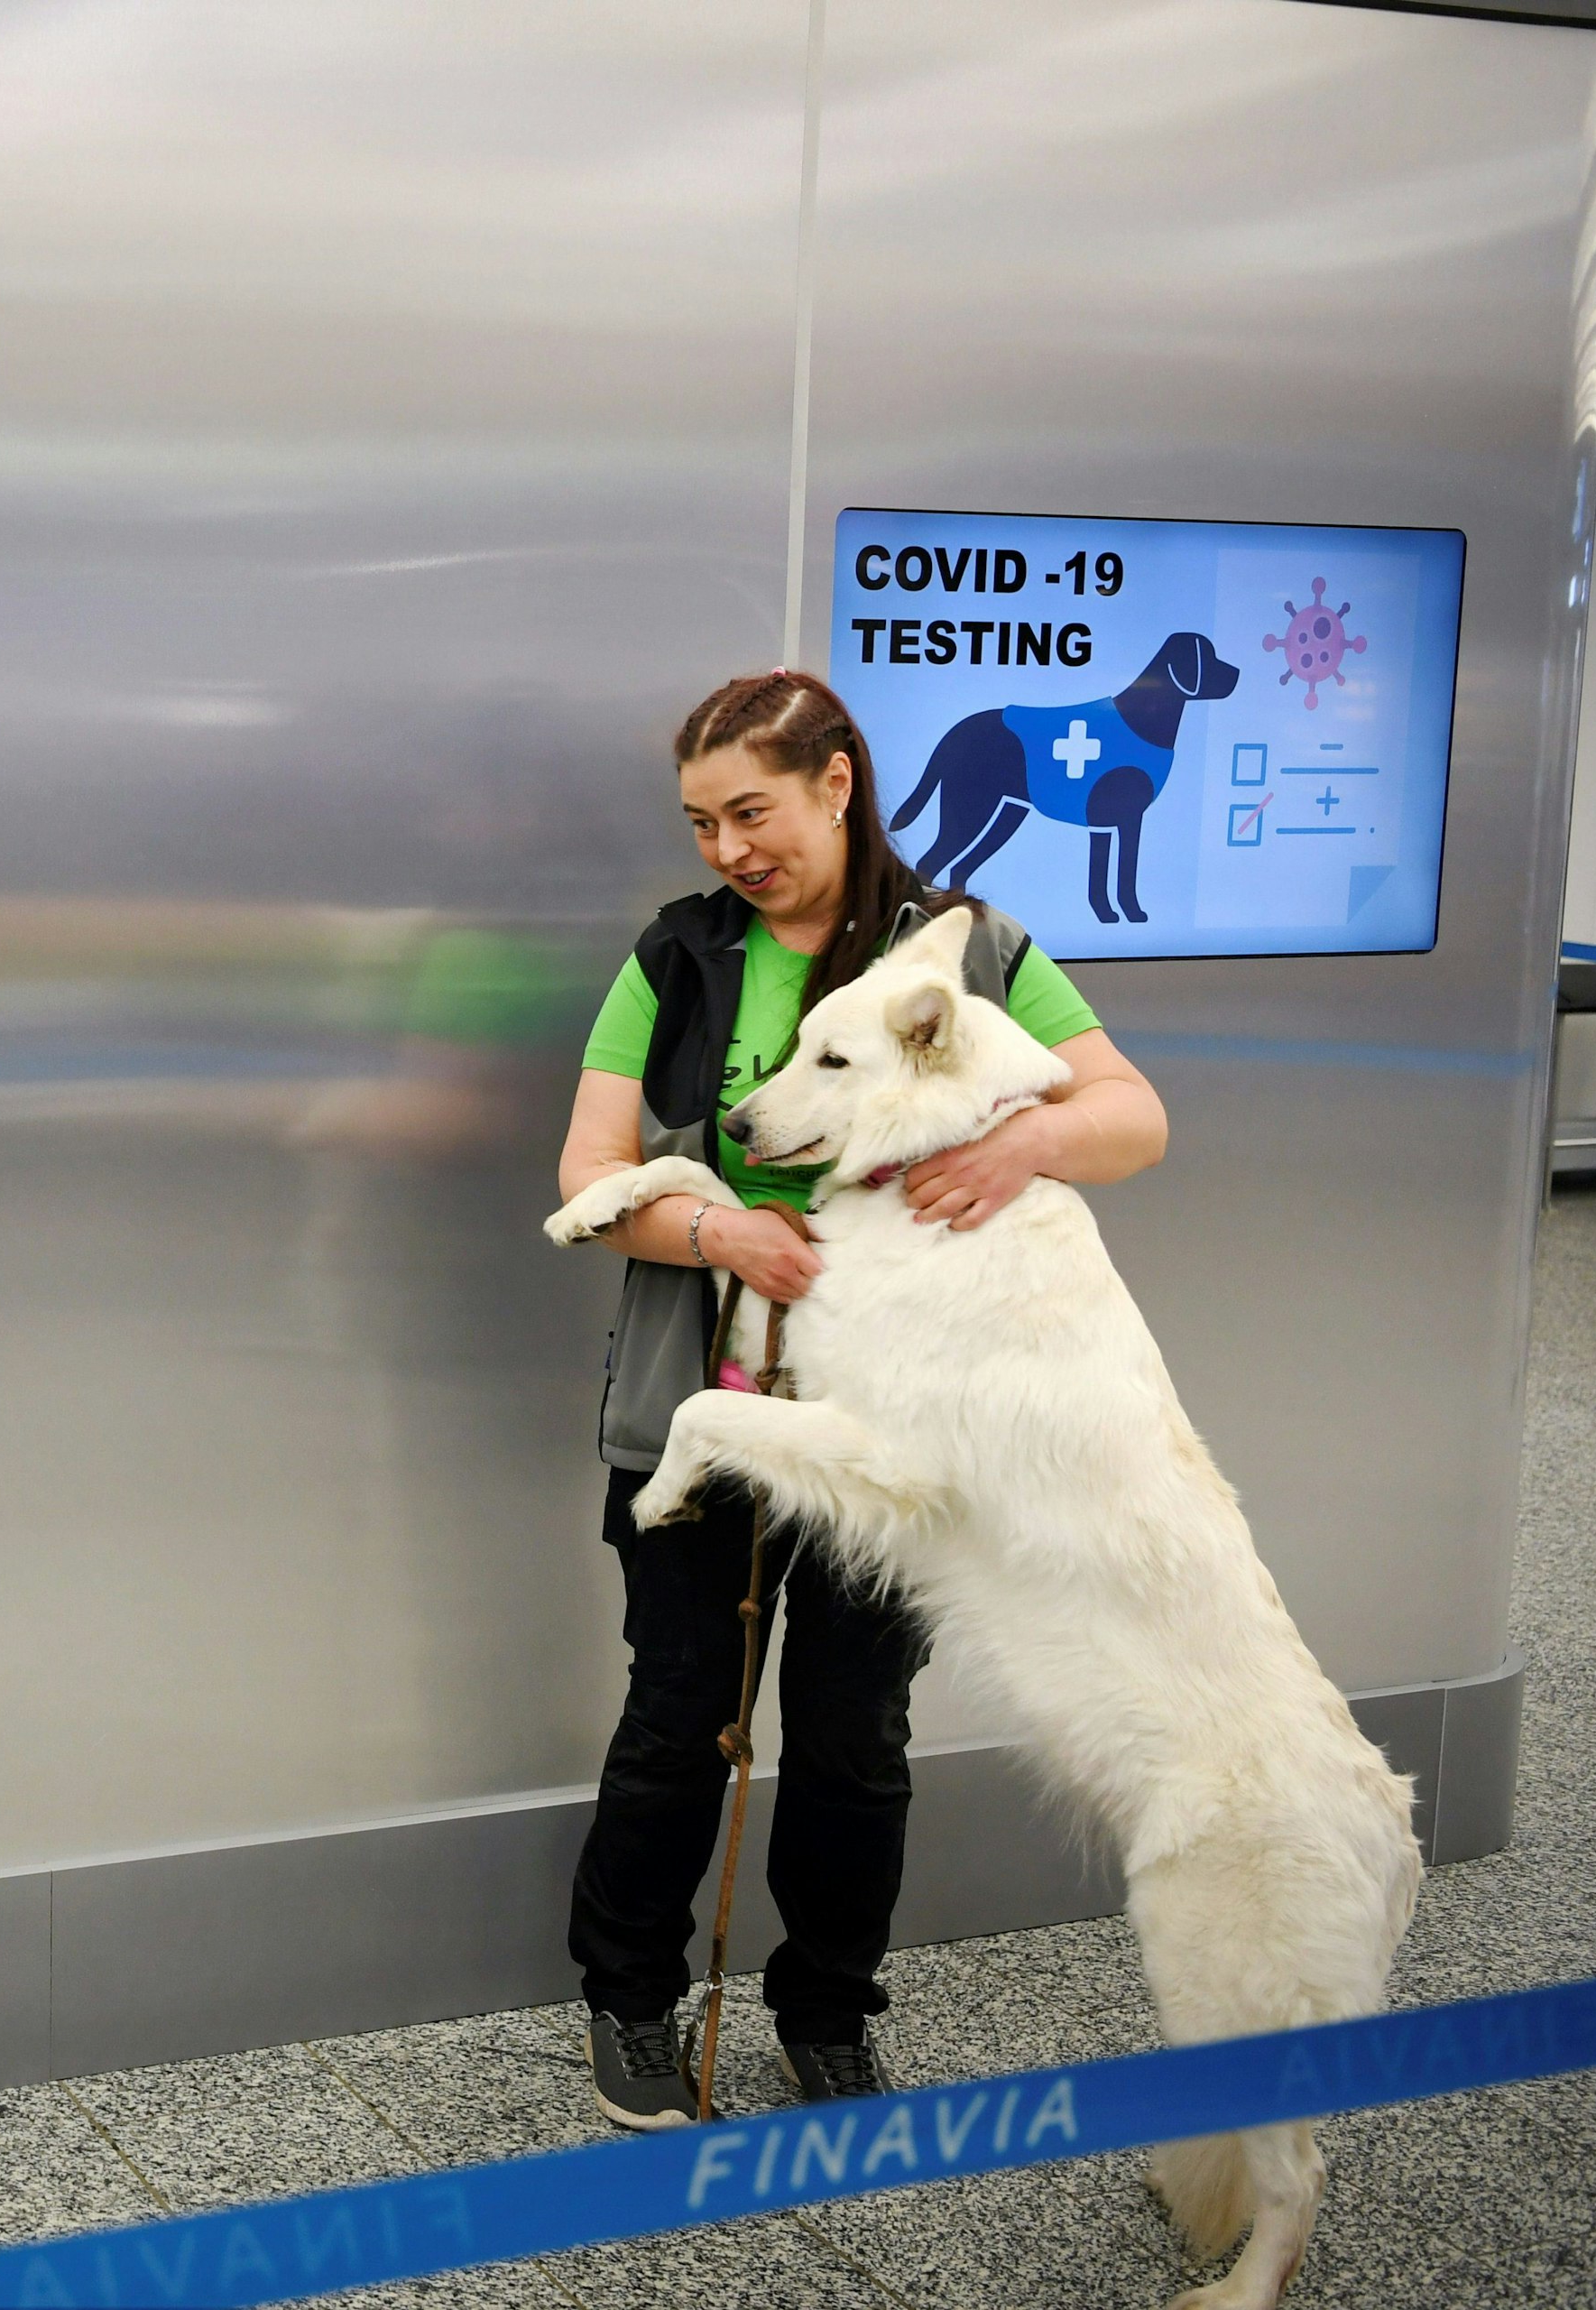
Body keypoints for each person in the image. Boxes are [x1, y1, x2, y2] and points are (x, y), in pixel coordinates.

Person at [553, 670, 1166, 2129]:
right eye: (702, 822)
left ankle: (828, 2016)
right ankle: (631, 2004)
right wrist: (724, 1231)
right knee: (679, 1712)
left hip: (895, 1424)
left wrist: (1024, 1150)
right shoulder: (677, 958)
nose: (726, 850)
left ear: (839, 782)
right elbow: (588, 1175)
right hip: (704, 1395)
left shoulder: (967, 956)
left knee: (849, 1734)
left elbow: (1132, 1117)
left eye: (750, 812)